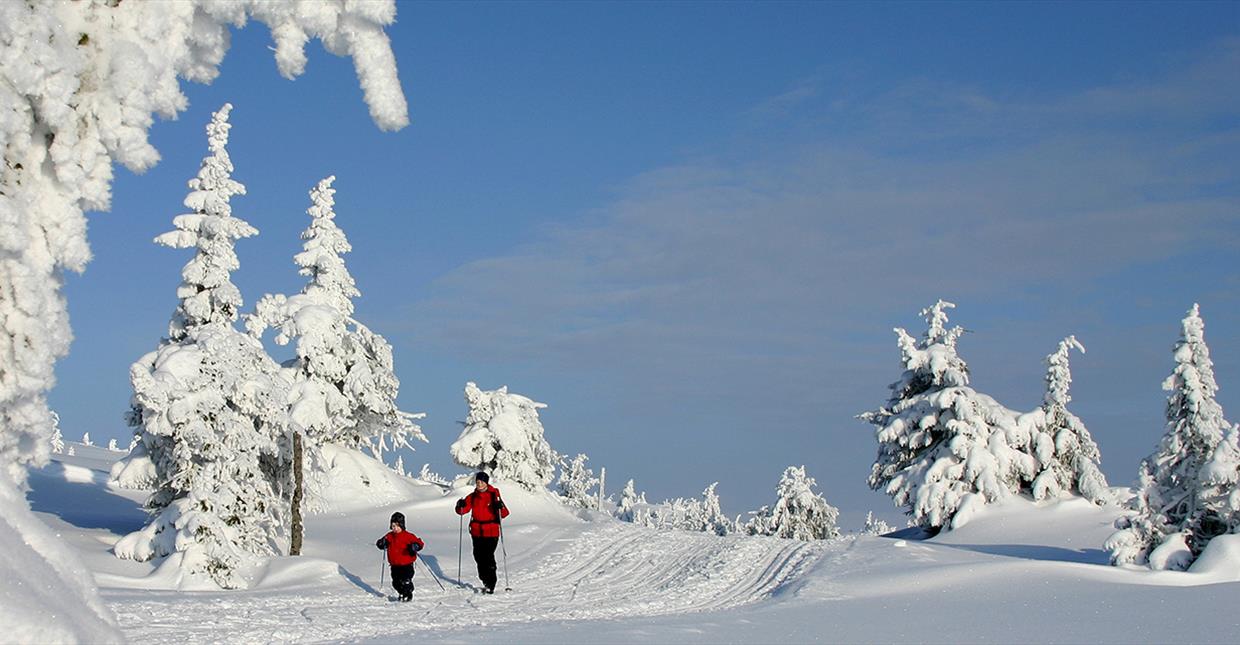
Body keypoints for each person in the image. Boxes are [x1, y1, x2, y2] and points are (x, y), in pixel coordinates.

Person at [454, 471, 510, 593]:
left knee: (488, 557)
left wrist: (499, 507)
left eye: (481, 482)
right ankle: (484, 580)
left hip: (491, 531)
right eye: (477, 482)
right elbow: (462, 511)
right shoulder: (473, 496)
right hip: (476, 531)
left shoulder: (494, 495)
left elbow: (504, 514)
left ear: (486, 483)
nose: (479, 484)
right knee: (478, 556)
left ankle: (491, 582)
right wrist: (460, 505)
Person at [375, 511, 424, 602]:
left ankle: (407, 594)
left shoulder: (408, 536)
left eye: (397, 526)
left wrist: (415, 546)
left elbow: (419, 543)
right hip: (395, 565)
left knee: (405, 580)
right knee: (396, 583)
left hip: (407, 564)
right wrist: (381, 543)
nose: (395, 528)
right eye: (393, 526)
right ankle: (402, 592)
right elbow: (380, 543)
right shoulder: (389, 536)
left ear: (402, 525)